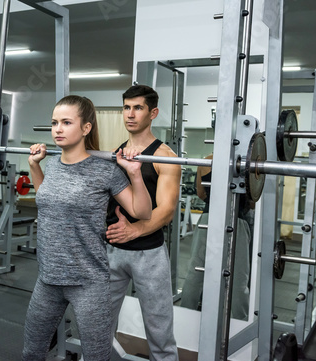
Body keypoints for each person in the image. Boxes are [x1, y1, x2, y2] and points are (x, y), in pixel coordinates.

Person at [22, 95, 152, 361]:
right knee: (31, 353)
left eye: (66, 122)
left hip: (87, 283)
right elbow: (46, 199)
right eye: (54, 122)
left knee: (95, 357)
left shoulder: (105, 169)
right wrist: (35, 166)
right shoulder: (54, 163)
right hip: (47, 279)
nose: (58, 128)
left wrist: (135, 173)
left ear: (86, 128)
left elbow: (143, 212)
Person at [106, 85, 181, 360]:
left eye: (138, 108)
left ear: (153, 113)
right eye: (126, 107)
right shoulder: (115, 154)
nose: (130, 114)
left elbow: (167, 210)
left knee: (159, 332)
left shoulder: (165, 157)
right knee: (98, 325)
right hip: (111, 250)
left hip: (148, 254)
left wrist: (133, 230)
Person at [180, 153, 252, 320]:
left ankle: (185, 317)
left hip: (208, 219)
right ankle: (239, 323)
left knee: (196, 272)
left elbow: (201, 193)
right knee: (239, 278)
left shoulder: (205, 160)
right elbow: (253, 201)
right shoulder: (247, 162)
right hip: (236, 219)